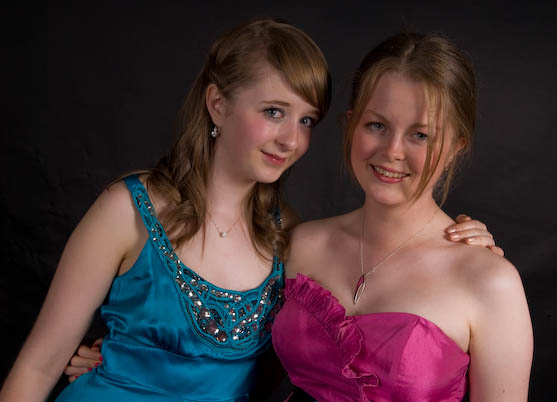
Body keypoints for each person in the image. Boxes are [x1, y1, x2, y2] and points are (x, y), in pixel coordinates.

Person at [1, 18, 500, 402]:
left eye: (306, 120)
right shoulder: (127, 209)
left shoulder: (290, 240)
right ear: (217, 104)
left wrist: (465, 248)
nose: (291, 140)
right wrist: (114, 360)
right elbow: (37, 366)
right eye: (274, 112)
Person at [271, 32, 533, 401]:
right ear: (351, 124)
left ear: (456, 147)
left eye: (421, 135)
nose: (392, 151)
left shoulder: (490, 282)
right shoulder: (300, 243)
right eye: (376, 125)